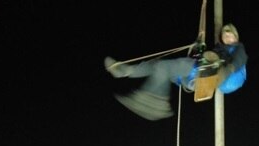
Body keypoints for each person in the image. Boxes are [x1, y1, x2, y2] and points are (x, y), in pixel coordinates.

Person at [104, 23, 248, 120]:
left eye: (230, 35)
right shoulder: (220, 50)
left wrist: (226, 71)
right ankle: (126, 70)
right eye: (225, 35)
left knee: (174, 65)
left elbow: (240, 60)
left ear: (236, 37)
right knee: (159, 67)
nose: (227, 37)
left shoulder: (238, 49)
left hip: (227, 75)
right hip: (200, 77)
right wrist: (199, 48)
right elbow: (202, 60)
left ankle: (156, 101)